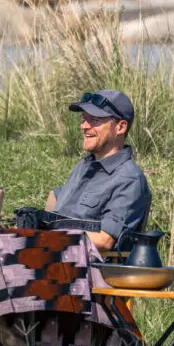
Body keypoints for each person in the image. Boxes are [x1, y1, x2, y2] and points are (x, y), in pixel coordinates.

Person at [51, 89, 151, 252]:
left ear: (120, 127)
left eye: (95, 120)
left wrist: (48, 237)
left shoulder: (130, 178)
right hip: (54, 256)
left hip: (88, 272)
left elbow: (105, 240)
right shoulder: (83, 166)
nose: (84, 126)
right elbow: (55, 200)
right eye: (84, 119)